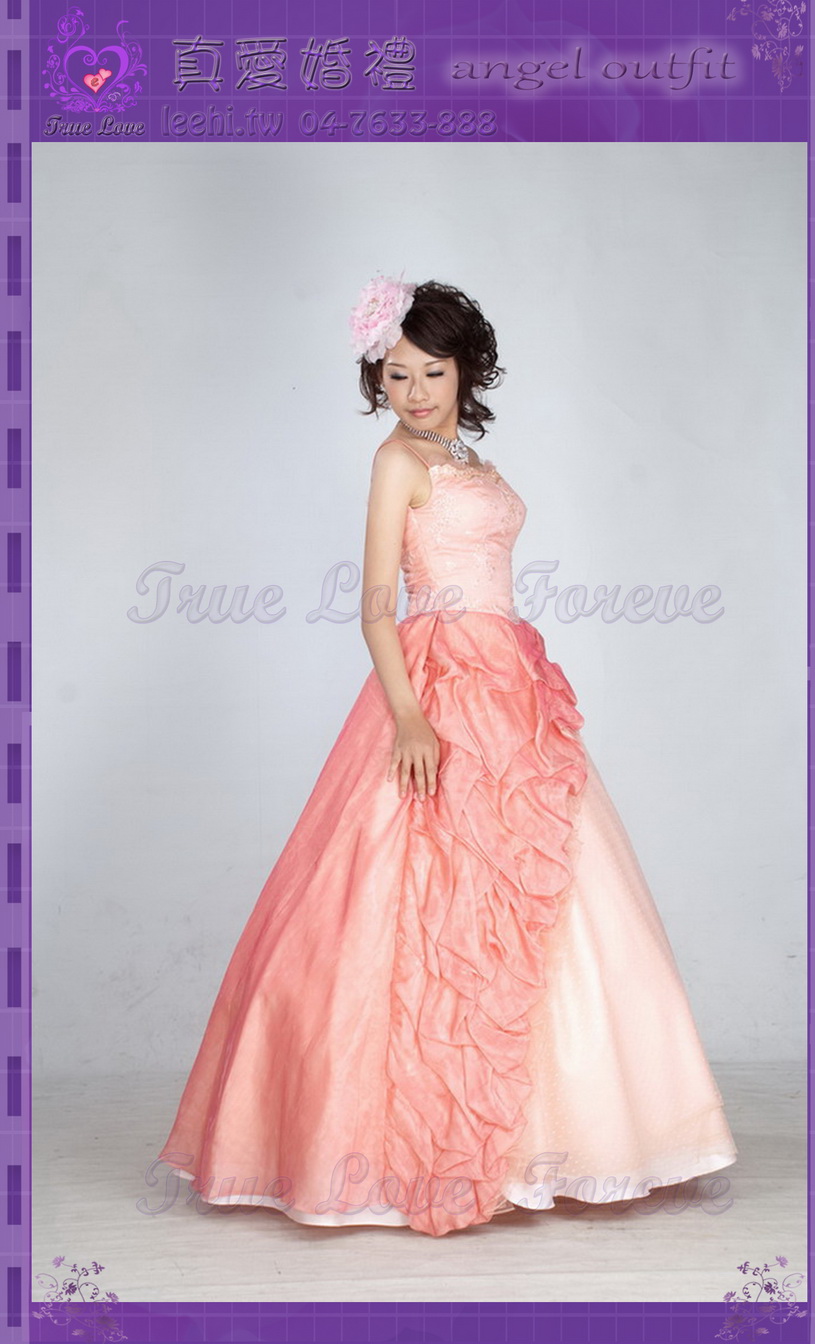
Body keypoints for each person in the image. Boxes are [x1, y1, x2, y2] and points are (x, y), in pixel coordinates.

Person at [156, 275, 738, 1238]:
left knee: (542, 890)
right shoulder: (395, 460)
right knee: (426, 900)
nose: (415, 391)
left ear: (465, 369)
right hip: (439, 681)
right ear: (375, 380)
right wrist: (410, 718)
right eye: (396, 374)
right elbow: (376, 605)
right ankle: (397, 1148)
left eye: (431, 371)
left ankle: (563, 1140)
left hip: (511, 684)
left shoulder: (465, 456)